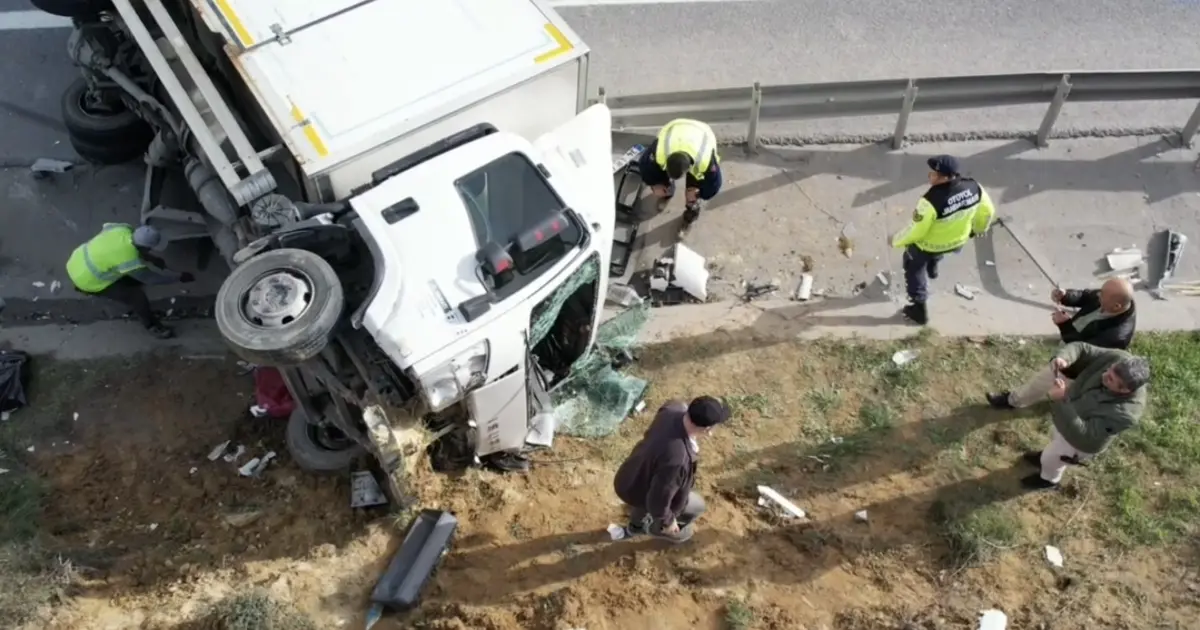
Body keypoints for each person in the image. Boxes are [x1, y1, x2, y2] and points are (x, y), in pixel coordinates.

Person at [989, 342, 1149, 489]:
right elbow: (1083, 349)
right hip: (1068, 416)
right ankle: (1046, 459)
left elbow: (1083, 434)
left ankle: (1049, 480)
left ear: (1125, 390)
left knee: (1053, 457)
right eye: (1110, 369)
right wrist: (1064, 357)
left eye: (1111, 379)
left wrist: (1061, 400)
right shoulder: (1120, 358)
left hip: (1079, 442)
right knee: (1054, 443)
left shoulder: (1126, 414)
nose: (1104, 374)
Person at [889, 155, 996, 325]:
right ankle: (933, 267)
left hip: (927, 245)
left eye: (932, 174)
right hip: (956, 241)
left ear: (944, 177)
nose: (929, 177)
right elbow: (987, 212)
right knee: (938, 254)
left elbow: (916, 231)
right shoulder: (974, 187)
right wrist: (976, 231)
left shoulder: (930, 201)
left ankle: (918, 308)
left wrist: (895, 240)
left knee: (913, 267)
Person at [612, 396, 730, 543]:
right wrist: (668, 521)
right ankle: (657, 529)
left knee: (641, 502)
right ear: (708, 430)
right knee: (696, 506)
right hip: (643, 490)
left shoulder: (672, 409)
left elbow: (669, 405)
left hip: (632, 476)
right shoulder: (678, 461)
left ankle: (634, 528)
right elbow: (657, 501)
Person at [66, 223, 194, 339]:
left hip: (77, 260)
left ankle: (124, 287)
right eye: (150, 249)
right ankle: (151, 326)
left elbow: (126, 243)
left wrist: (152, 259)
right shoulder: (129, 260)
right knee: (137, 297)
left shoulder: (123, 229)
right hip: (88, 279)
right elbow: (152, 279)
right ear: (144, 247)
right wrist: (178, 277)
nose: (151, 251)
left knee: (132, 279)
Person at [637, 118, 722, 227]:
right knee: (660, 182)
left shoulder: (705, 161)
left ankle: (691, 213)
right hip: (676, 128)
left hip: (702, 133)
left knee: (692, 195)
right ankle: (667, 192)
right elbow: (644, 165)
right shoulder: (661, 150)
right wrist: (655, 185)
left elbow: (714, 184)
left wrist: (698, 193)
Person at [1049, 278, 1137, 349]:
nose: (1098, 294)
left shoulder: (1114, 338)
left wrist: (1065, 325)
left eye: (1102, 295)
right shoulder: (1111, 297)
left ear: (1116, 307)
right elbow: (1086, 296)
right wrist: (1066, 296)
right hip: (1070, 335)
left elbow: (1081, 350)